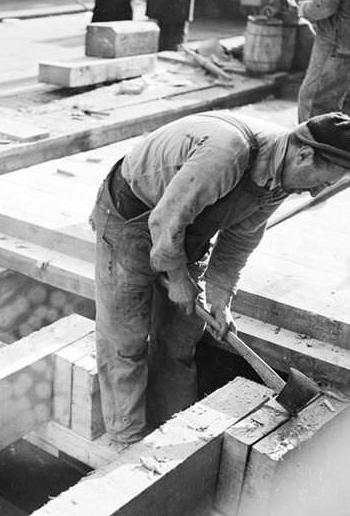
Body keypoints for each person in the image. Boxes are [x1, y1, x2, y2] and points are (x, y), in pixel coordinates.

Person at [89, 110, 350, 447]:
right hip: (130, 221)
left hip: (188, 232)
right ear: (304, 154)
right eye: (323, 182)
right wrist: (178, 276)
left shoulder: (283, 175)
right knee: (126, 340)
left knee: (180, 339)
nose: (316, 193)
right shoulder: (228, 152)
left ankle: (176, 428)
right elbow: (164, 221)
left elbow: (241, 238)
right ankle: (126, 439)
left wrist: (220, 297)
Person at [295, 0, 350, 122]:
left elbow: (324, 7)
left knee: (313, 100)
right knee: (344, 104)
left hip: (335, 45)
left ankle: (309, 141)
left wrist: (302, 7)